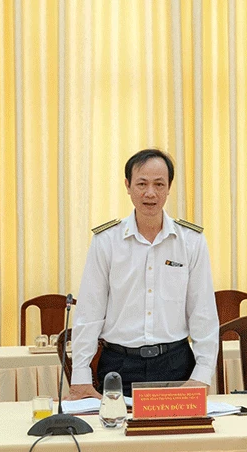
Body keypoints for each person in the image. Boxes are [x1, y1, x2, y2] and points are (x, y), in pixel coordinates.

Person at [68, 149, 219, 398]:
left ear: (169, 187)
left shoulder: (191, 240)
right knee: (116, 424)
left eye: (159, 184)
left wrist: (201, 375)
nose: (150, 193)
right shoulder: (106, 240)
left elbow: (202, 312)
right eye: (142, 184)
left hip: (176, 364)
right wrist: (81, 376)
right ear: (127, 186)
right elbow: (89, 312)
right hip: (119, 365)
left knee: (181, 425)